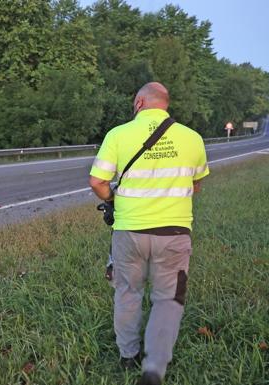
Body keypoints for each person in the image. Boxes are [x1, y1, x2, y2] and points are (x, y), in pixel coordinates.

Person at [89, 82, 209, 385]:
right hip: (174, 231)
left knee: (128, 292)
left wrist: (113, 200)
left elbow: (97, 182)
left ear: (140, 102)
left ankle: (127, 356)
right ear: (165, 104)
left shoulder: (118, 134)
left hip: (129, 231)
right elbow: (195, 185)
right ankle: (154, 367)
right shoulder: (192, 138)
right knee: (168, 298)